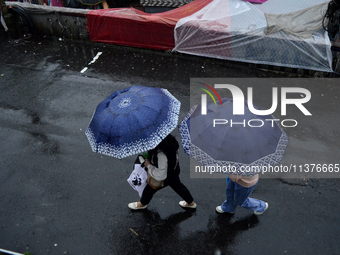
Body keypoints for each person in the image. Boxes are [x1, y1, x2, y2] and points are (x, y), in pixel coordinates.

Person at [128, 134, 196, 210]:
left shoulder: (161, 155)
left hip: (165, 176)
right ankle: (190, 203)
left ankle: (142, 204)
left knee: (149, 189)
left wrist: (149, 166)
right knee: (178, 186)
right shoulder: (168, 143)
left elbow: (161, 175)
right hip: (173, 171)